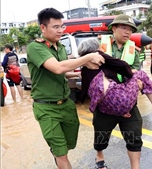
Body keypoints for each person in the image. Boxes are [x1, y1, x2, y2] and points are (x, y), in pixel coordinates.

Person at [26, 8, 104, 169]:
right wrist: (87, 57)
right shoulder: (35, 48)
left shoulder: (60, 47)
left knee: (69, 144)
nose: (60, 30)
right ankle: (59, 155)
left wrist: (80, 76)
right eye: (56, 27)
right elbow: (58, 68)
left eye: (62, 26)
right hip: (46, 108)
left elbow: (62, 74)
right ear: (43, 28)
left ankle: (58, 154)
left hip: (66, 105)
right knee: (61, 152)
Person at [91, 14, 144, 169]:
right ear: (114, 28)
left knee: (134, 135)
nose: (127, 32)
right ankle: (99, 154)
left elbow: (135, 71)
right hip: (105, 101)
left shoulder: (135, 50)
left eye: (130, 30)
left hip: (127, 100)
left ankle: (135, 167)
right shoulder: (99, 45)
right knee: (101, 135)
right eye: (123, 28)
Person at [78, 38, 152, 118]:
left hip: (108, 107)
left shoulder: (85, 69)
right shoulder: (98, 56)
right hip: (120, 101)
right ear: (96, 48)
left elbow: (86, 93)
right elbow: (122, 66)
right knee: (140, 74)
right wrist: (131, 74)